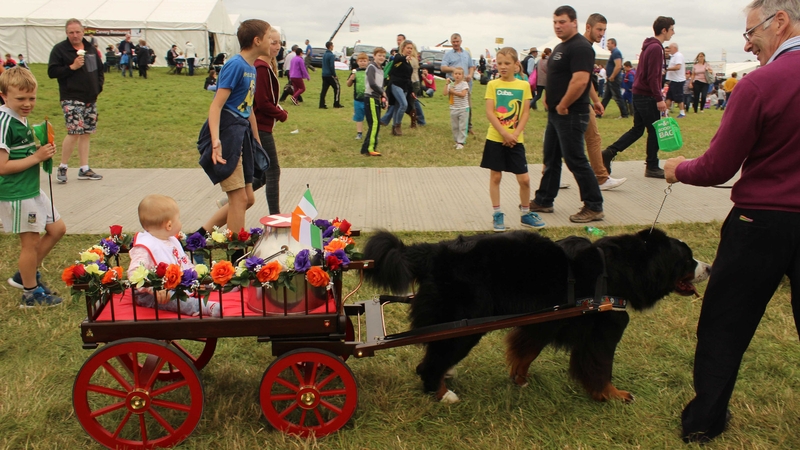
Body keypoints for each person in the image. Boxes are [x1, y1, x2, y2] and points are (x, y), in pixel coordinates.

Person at [664, 1, 800, 442]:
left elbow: (717, 167)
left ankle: (705, 419)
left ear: (780, 21)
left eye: (751, 31)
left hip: (759, 222)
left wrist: (678, 167)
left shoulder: (761, 84)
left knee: (725, 323)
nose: (749, 43)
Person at [196, 19, 271, 253]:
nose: (273, 43)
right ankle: (236, 257)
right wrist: (216, 141)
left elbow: (247, 110)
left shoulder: (251, 68)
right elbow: (216, 106)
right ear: (257, 41)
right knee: (238, 199)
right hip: (227, 135)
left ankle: (199, 237)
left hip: (242, 134)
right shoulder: (236, 65)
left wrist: (257, 141)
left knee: (248, 198)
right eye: (269, 38)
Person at [530, 6, 604, 223]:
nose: (558, 26)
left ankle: (594, 205)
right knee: (551, 158)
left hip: (571, 113)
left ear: (575, 22)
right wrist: (549, 97)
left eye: (562, 21)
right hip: (556, 113)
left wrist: (563, 104)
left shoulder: (581, 47)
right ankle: (544, 199)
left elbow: (581, 80)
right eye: (555, 22)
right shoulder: (562, 46)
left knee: (576, 160)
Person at [0, 67, 66, 307]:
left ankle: (24, 274)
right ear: (4, 96)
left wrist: (43, 150)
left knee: (57, 229)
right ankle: (30, 294)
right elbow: (2, 167)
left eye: (32, 98)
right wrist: (37, 157)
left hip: (30, 188)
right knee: (29, 243)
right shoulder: (4, 122)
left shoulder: (20, 117)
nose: (27, 103)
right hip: (16, 192)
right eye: (20, 99)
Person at [602, 16, 675, 179]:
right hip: (647, 95)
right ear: (664, 30)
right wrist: (659, 98)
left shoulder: (648, 46)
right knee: (655, 130)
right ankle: (652, 166)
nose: (673, 32)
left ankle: (609, 152)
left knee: (638, 130)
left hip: (638, 93)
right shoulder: (656, 48)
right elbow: (653, 77)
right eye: (671, 29)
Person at [481, 47, 544, 232]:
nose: (503, 67)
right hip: (495, 138)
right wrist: (504, 133)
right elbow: (490, 113)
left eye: (507, 63)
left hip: (516, 140)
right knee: (496, 176)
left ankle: (526, 213)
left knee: (524, 179)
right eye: (499, 63)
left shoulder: (523, 85)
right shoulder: (493, 85)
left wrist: (514, 135)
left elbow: (525, 113)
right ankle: (497, 214)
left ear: (516, 65)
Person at [129, 195, 220, 317]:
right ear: (169, 226)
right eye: (179, 219)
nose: (180, 222)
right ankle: (203, 307)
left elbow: (183, 260)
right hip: (150, 294)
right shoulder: (145, 246)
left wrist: (195, 277)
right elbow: (134, 274)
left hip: (174, 286)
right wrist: (153, 288)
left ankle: (218, 285)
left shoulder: (170, 240)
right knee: (174, 300)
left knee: (199, 283)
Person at [48, 18, 104, 183]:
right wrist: (71, 67)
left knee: (86, 132)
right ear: (67, 33)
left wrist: (98, 86)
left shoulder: (90, 49)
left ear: (83, 32)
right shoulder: (60, 50)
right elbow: (52, 71)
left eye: (78, 32)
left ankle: (84, 168)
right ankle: (63, 166)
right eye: (71, 32)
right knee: (74, 131)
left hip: (90, 97)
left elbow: (99, 70)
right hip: (71, 97)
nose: (75, 35)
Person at [582, 14, 627, 191]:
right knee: (591, 139)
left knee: (569, 140)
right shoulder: (584, 48)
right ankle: (600, 178)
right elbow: (582, 79)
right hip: (578, 101)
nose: (602, 34)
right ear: (588, 27)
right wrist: (593, 100)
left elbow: (585, 78)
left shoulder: (584, 47)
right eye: (599, 29)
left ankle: (551, 176)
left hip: (580, 100)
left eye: (604, 30)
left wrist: (596, 101)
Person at [441, 33, 476, 133]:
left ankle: (468, 127)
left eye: (457, 41)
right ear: (451, 42)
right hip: (453, 83)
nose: (455, 43)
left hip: (465, 83)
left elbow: (471, 66)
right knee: (456, 106)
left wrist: (470, 74)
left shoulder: (466, 54)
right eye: (453, 42)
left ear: (461, 42)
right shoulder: (448, 54)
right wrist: (453, 69)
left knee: (467, 106)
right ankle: (457, 127)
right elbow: (443, 68)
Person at [383, 40, 415, 136]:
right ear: (403, 48)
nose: (409, 50)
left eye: (411, 48)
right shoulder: (398, 57)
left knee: (398, 106)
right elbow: (396, 59)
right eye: (408, 48)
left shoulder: (408, 62)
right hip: (395, 84)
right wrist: (405, 57)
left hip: (405, 86)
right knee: (404, 104)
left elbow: (409, 78)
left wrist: (412, 90)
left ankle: (394, 129)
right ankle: (398, 125)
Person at [361, 47, 387, 157]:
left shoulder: (380, 69)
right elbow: (372, 83)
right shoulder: (371, 67)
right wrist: (383, 92)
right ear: (374, 56)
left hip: (376, 98)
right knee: (375, 123)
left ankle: (365, 148)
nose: (381, 58)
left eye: (383, 56)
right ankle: (370, 148)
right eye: (379, 55)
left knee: (374, 124)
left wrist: (383, 97)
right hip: (370, 97)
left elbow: (380, 85)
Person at [600, 38, 629, 118]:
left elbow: (618, 66)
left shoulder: (616, 53)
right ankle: (599, 113)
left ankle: (624, 114)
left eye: (608, 43)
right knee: (606, 97)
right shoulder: (613, 53)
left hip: (614, 78)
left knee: (618, 97)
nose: (607, 45)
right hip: (611, 78)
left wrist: (612, 76)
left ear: (613, 44)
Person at [445, 67, 469, 150]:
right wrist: (447, 84)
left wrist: (453, 92)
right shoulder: (451, 85)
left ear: (462, 75)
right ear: (453, 75)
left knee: (462, 126)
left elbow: (463, 94)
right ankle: (456, 141)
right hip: (453, 108)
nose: (457, 75)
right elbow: (445, 93)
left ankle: (461, 142)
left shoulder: (464, 84)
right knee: (455, 126)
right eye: (456, 74)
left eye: (459, 74)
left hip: (463, 108)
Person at [347, 52, 369, 140]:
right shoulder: (355, 72)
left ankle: (371, 132)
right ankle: (359, 133)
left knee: (370, 117)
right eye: (361, 61)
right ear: (357, 62)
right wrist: (351, 79)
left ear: (368, 61)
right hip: (358, 99)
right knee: (359, 117)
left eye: (364, 61)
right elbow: (348, 84)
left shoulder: (370, 71)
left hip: (369, 98)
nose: (363, 62)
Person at [665, 43, 687, 117]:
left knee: (678, 97)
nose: (669, 50)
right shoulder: (674, 56)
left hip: (678, 80)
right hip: (673, 80)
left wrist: (667, 69)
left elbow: (678, 67)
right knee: (669, 97)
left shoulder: (678, 55)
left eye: (670, 48)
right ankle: (665, 111)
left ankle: (682, 112)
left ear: (674, 48)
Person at [319, 41, 343, 109]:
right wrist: (334, 74)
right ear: (330, 46)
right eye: (332, 45)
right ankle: (336, 103)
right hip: (330, 74)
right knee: (337, 88)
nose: (333, 47)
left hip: (324, 74)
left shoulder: (324, 55)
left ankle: (321, 104)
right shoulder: (331, 55)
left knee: (324, 90)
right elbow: (331, 66)